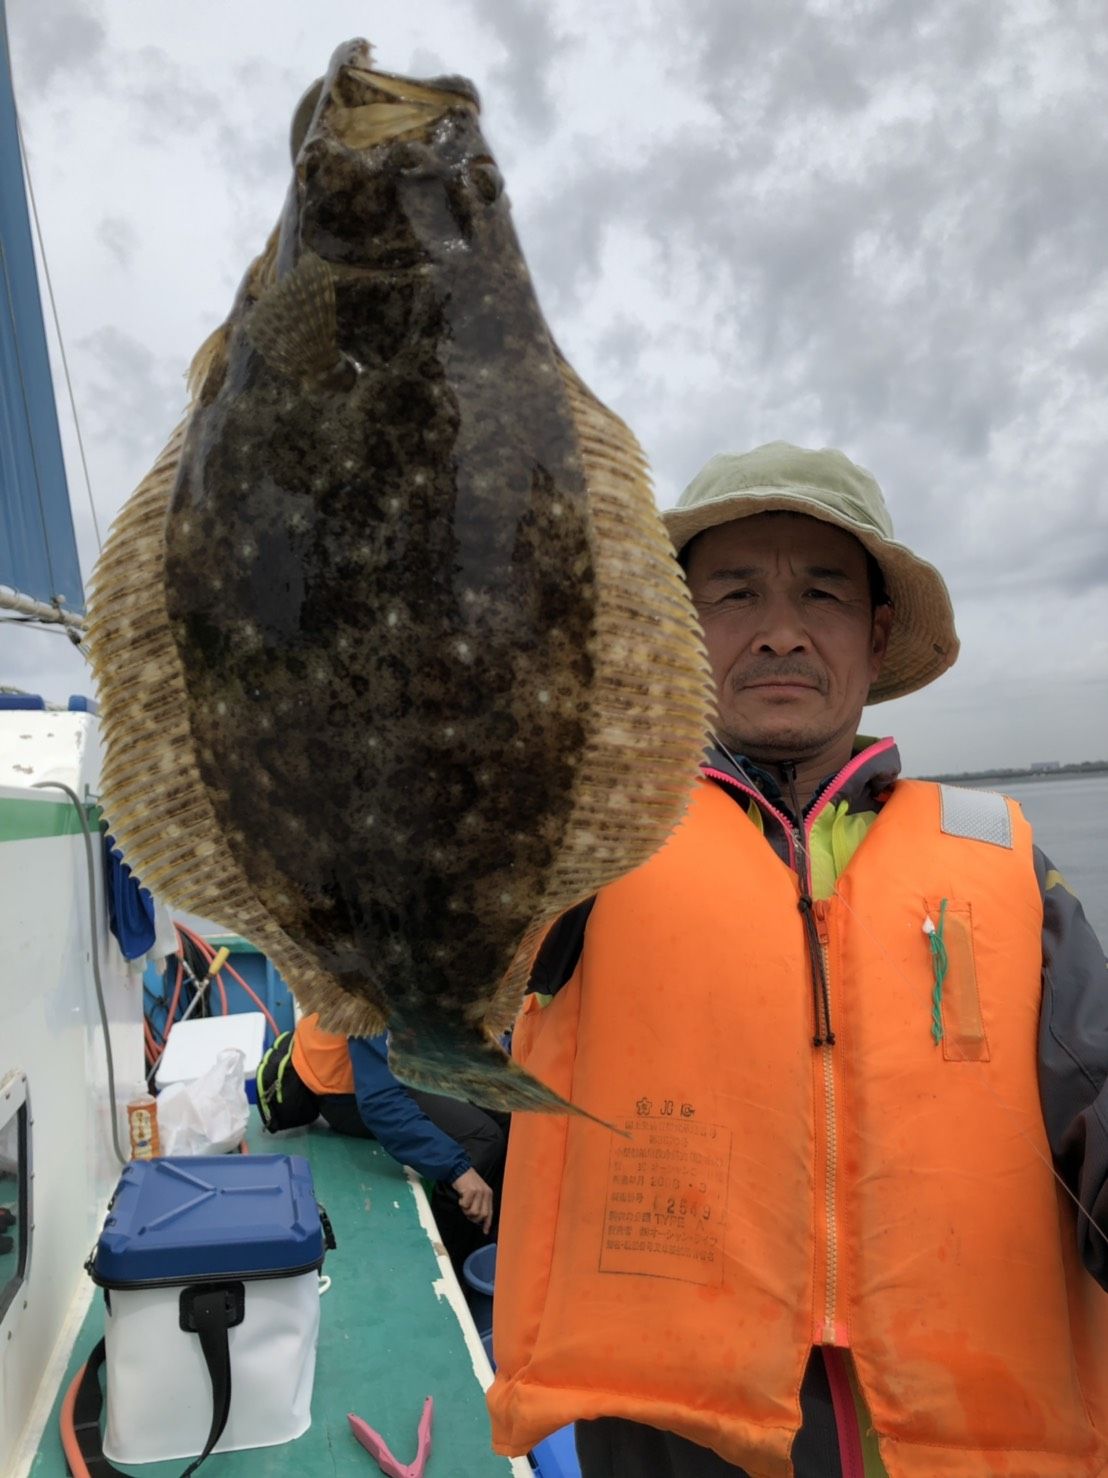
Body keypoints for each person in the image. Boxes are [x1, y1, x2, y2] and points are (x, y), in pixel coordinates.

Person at [486, 442, 1108, 1478]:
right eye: (735, 594)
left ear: (875, 633)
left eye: (821, 592)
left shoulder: (1004, 863)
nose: (780, 631)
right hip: (673, 1439)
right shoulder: (574, 841)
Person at [258, 1013, 507, 1274]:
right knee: (482, 1141)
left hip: (401, 1061)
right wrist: (457, 1169)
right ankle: (450, 1264)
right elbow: (381, 1103)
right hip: (350, 1095)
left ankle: (496, 1237)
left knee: (507, 1113)